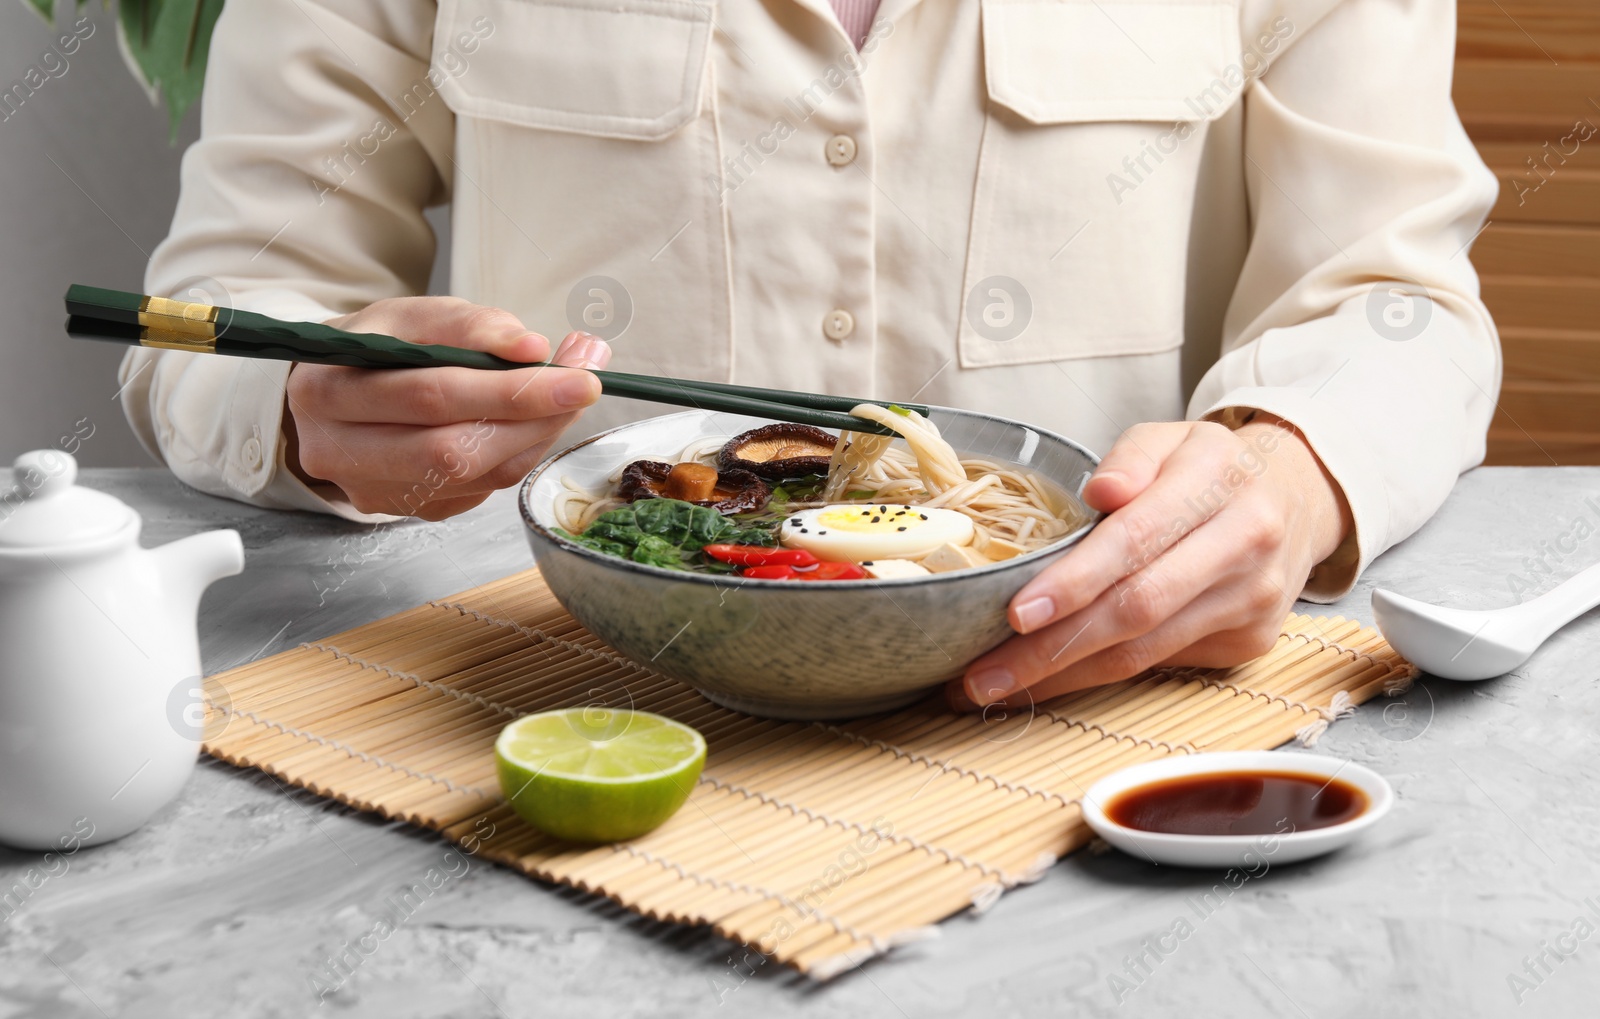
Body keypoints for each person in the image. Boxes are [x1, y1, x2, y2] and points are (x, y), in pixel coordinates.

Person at [118, 0, 1500, 712]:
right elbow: (228, 297)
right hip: (554, 727)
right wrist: (306, 399)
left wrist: (1289, 470)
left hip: (1078, 732)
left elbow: (1399, 296)